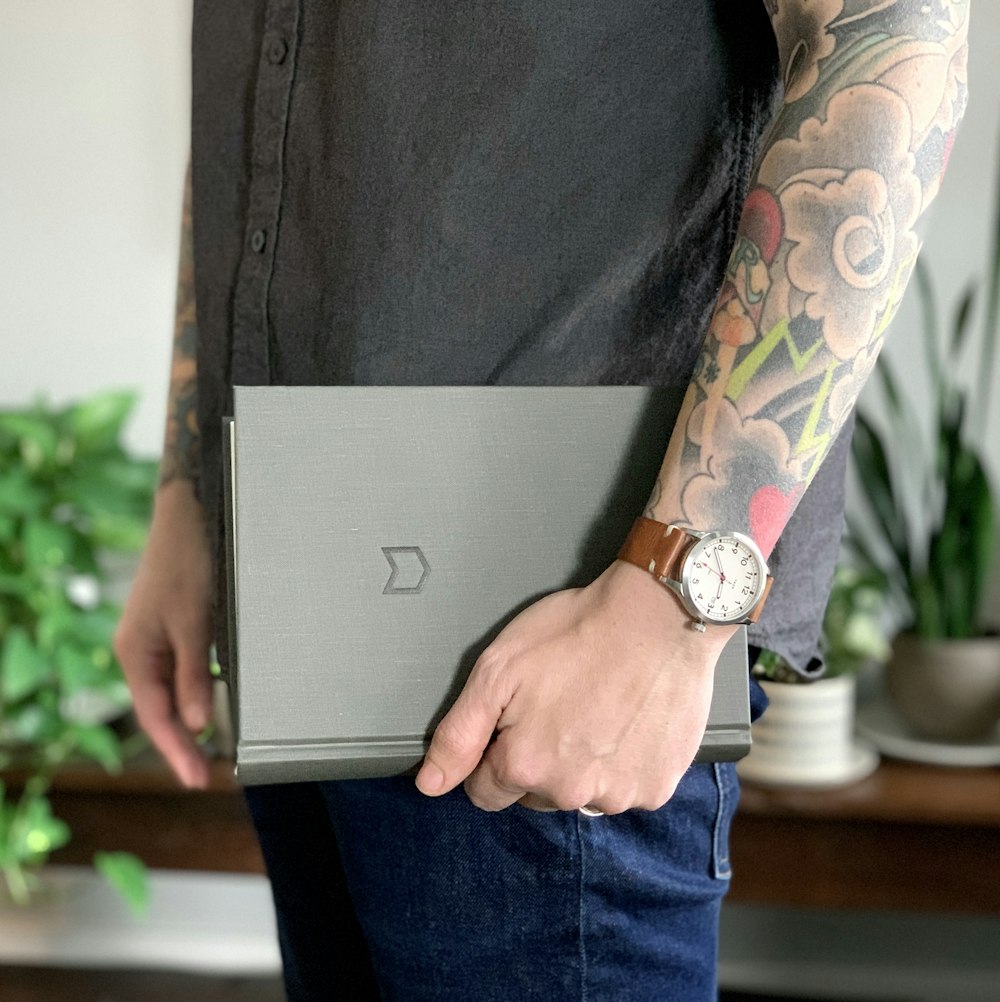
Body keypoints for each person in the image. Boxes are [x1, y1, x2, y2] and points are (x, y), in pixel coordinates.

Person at [115, 2, 969, 998]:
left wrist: (674, 603)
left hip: (561, 633)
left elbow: (890, 33)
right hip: (300, 564)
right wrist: (192, 491)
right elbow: (273, 83)